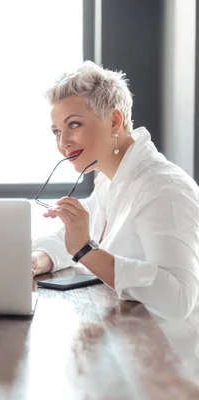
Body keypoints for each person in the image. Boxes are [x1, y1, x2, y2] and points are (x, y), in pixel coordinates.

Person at [31, 61, 199, 322]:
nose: (63, 143)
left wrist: (86, 251)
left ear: (114, 120)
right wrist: (38, 260)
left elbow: (178, 299)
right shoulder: (109, 181)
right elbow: (70, 240)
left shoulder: (163, 187)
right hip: (122, 336)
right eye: (56, 131)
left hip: (166, 352)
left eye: (73, 125)